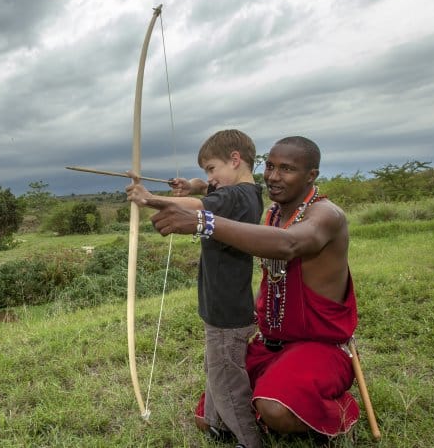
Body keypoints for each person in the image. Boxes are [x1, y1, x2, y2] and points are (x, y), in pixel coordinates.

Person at [133, 136, 360, 440]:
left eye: (287, 169)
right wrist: (198, 186)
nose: (273, 176)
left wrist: (204, 222)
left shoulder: (327, 215)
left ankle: (334, 408)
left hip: (318, 348)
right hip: (271, 346)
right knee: (210, 416)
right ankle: (277, 400)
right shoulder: (275, 213)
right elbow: (225, 194)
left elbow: (290, 244)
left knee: (275, 407)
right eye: (270, 166)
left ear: (311, 176)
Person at [126, 129, 264, 448]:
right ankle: (218, 425)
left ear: (235, 159)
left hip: (226, 312)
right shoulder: (248, 193)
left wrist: (149, 199)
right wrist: (195, 183)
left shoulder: (234, 197)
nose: (210, 177)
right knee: (217, 369)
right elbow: (206, 190)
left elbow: (199, 203)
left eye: (212, 168)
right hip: (225, 307)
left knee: (227, 379)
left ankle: (249, 441)